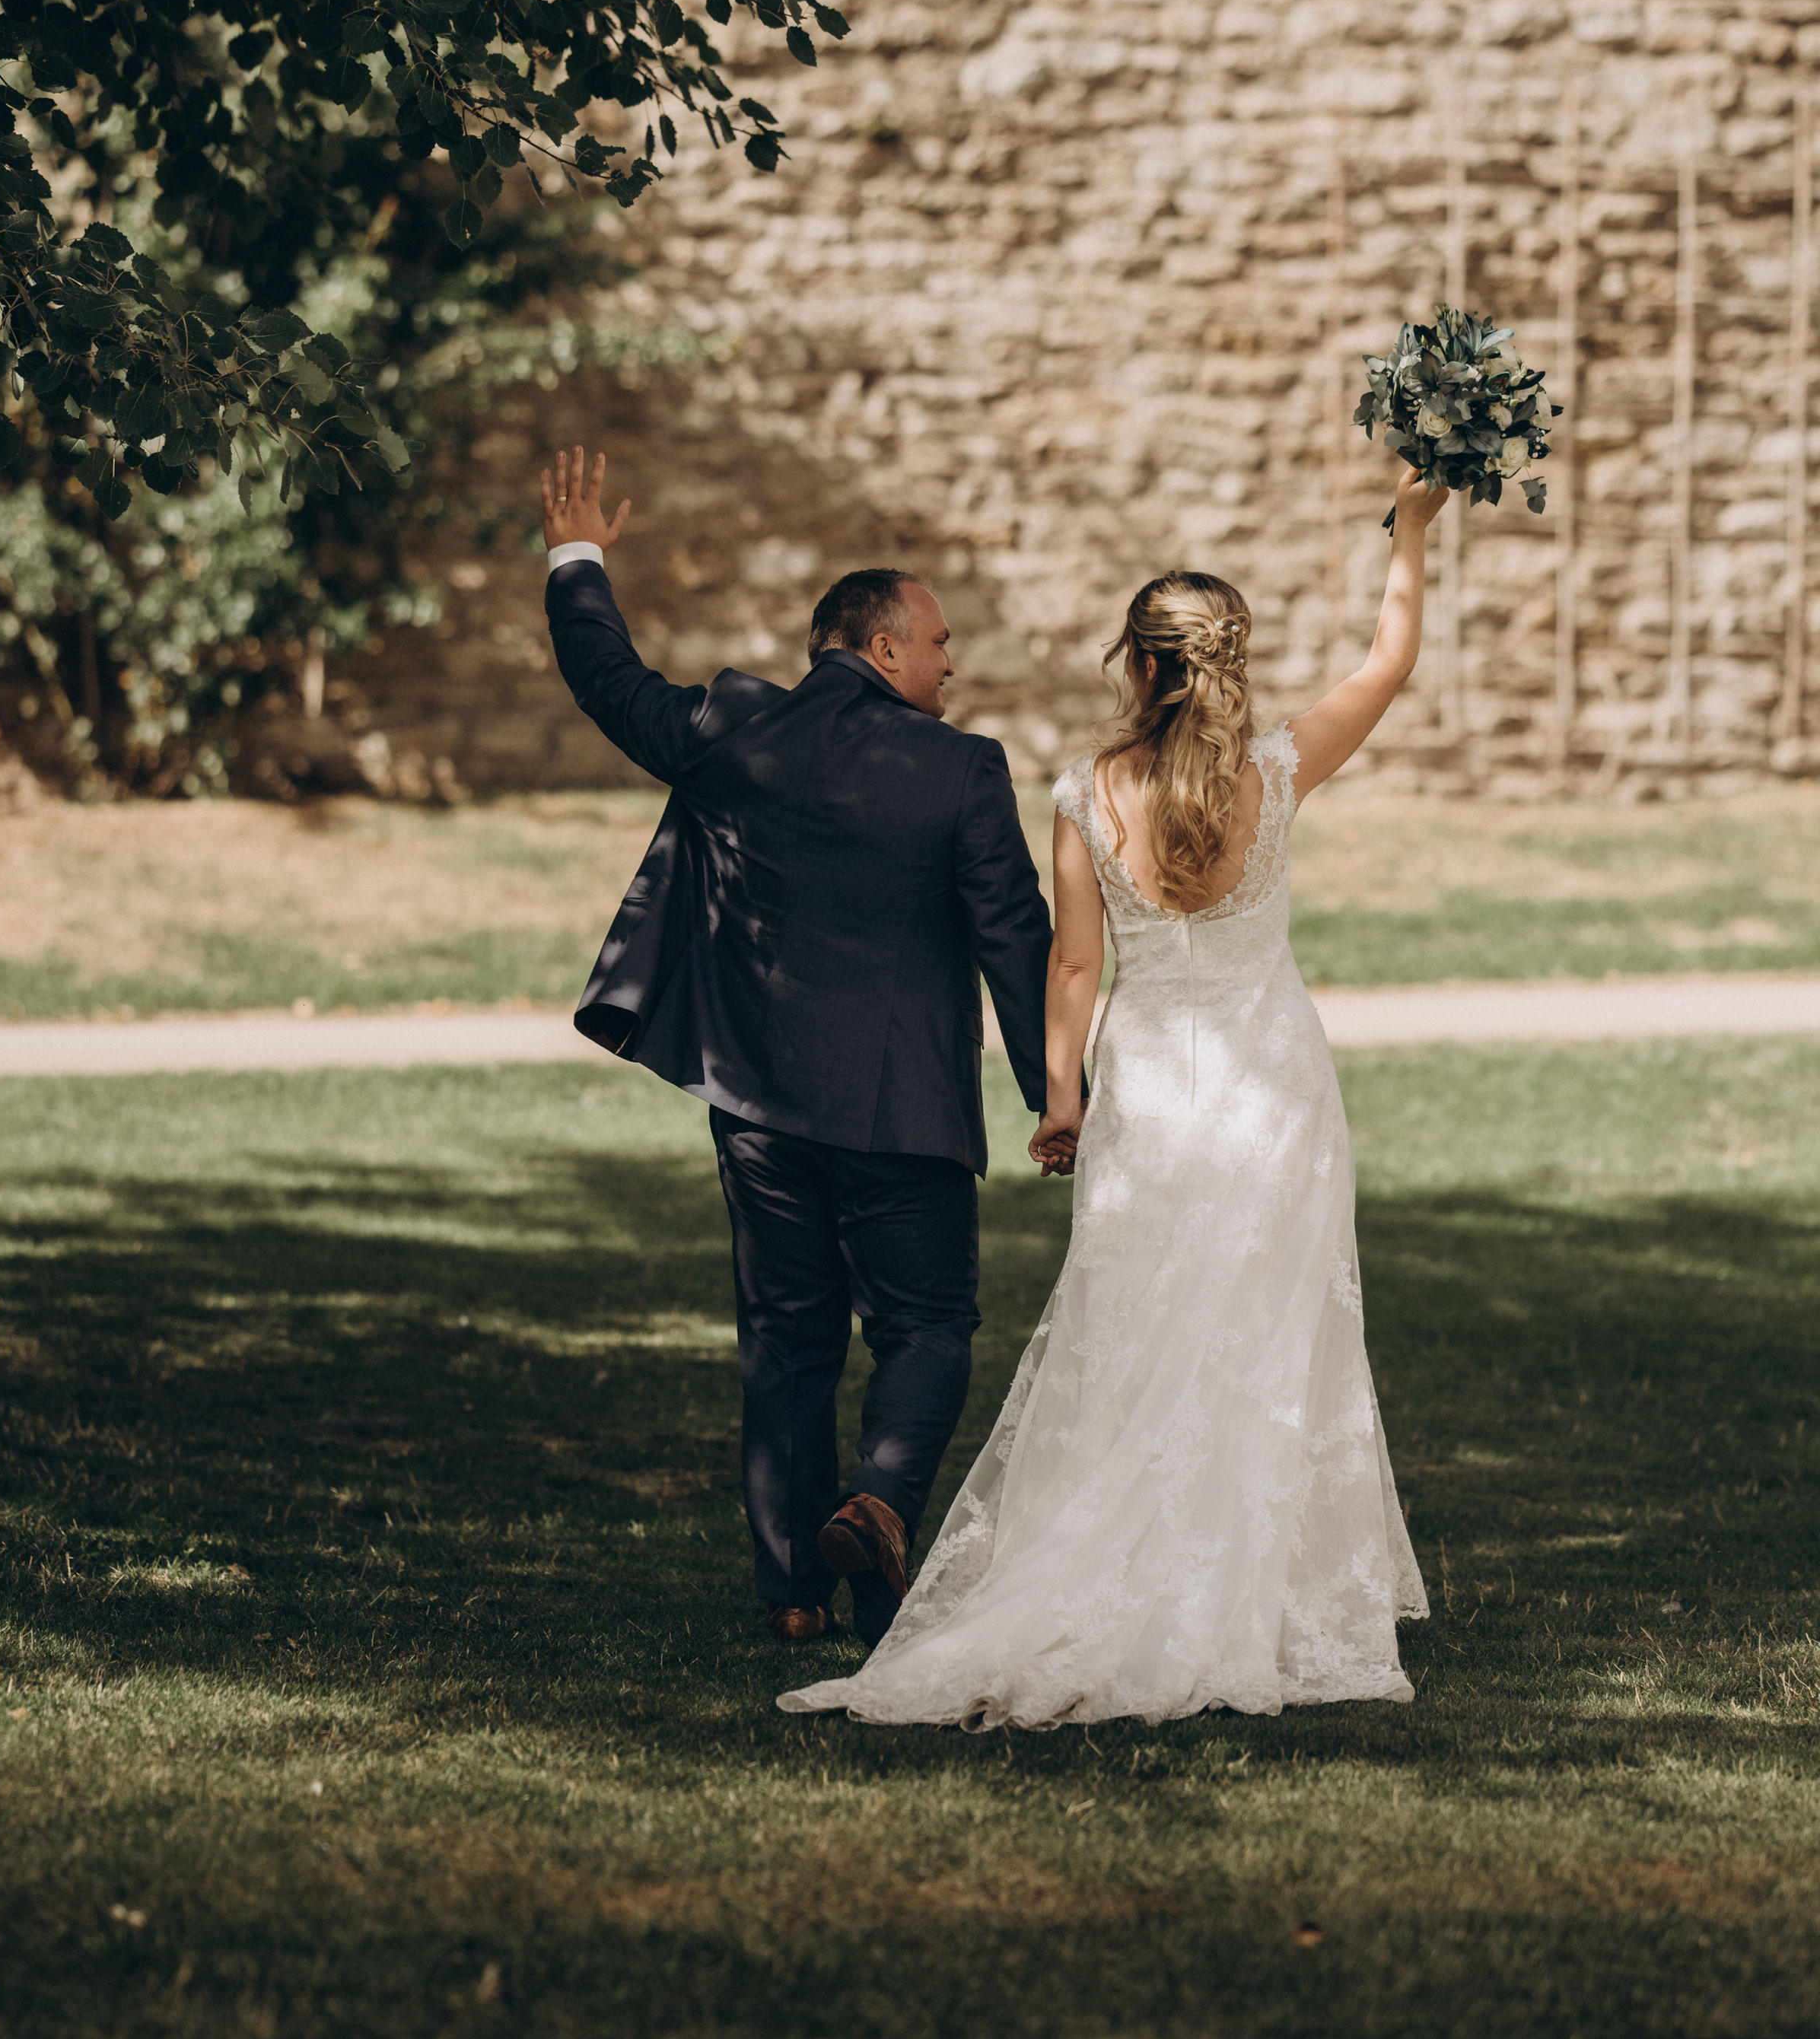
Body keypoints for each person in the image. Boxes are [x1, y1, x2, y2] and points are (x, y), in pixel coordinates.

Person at [780, 462, 1451, 1729]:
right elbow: (1388, 661)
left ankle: (1129, 1572)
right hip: (1274, 1090)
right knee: (1266, 1332)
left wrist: (1060, 1101)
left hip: (1149, 1089)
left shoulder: (1091, 791)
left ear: (1138, 667)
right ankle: (1256, 1586)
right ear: (1227, 662)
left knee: (1133, 1329)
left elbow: (1073, 963)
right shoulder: (1278, 767)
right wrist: (1409, 532)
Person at [538, 447, 1055, 1649]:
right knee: (927, 1327)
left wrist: (579, 560)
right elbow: (1013, 942)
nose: (949, 664)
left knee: (786, 1335)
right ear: (880, 648)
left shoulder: (736, 729)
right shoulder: (961, 770)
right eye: (936, 645)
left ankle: (790, 1590)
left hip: (759, 1107)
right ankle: (876, 1500)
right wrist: (1059, 1095)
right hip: (904, 1116)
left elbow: (610, 683)